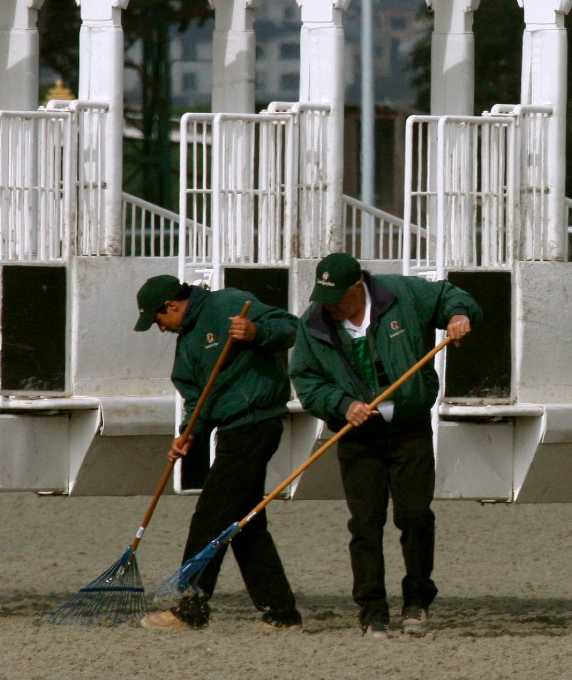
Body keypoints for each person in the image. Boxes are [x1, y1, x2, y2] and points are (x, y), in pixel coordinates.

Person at [290, 252, 478, 639]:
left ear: (358, 287)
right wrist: (343, 405)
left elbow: (449, 296)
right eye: (324, 297)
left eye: (337, 298)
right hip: (357, 437)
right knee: (365, 525)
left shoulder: (403, 294)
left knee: (413, 516)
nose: (329, 306)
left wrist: (459, 316)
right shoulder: (315, 321)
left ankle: (417, 603)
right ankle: (372, 612)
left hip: (409, 429)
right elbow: (306, 379)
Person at [132, 275, 303, 632]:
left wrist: (256, 332)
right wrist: (190, 433)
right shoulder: (188, 342)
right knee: (243, 525)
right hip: (231, 429)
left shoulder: (227, 304)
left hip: (256, 422)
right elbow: (196, 397)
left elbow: (289, 327)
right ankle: (282, 614)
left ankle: (190, 609)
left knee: (211, 515)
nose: (160, 329)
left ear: (172, 306)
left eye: (158, 320)